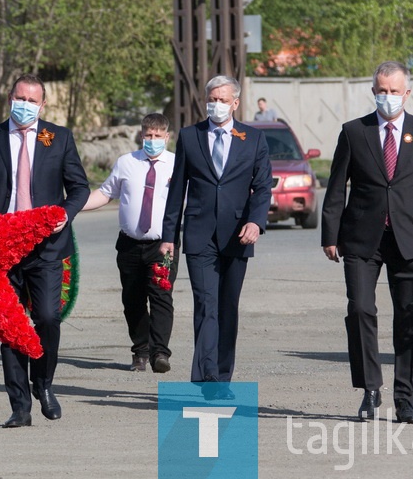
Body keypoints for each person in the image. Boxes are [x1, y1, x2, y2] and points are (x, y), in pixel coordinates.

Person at [321, 61, 413, 424]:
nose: (387, 97)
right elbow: (336, 187)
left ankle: (406, 400)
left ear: (407, 93)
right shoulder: (354, 132)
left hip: (410, 239)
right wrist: (329, 234)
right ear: (373, 92)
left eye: (394, 91)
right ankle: (370, 389)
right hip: (361, 239)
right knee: (361, 310)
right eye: (381, 91)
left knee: (409, 319)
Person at [0, 74, 90, 428]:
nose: (25, 105)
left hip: (47, 246)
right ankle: (19, 406)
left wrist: (65, 213)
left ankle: (44, 382)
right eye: (20, 97)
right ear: (9, 97)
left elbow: (79, 187)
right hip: (0, 248)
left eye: (32, 100)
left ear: (43, 104)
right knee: (9, 326)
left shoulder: (58, 138)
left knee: (48, 318)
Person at [160, 75, 273, 400]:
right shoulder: (190, 136)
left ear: (235, 103)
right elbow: (177, 188)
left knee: (227, 307)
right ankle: (209, 378)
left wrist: (256, 222)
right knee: (206, 304)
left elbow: (263, 186)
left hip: (238, 235)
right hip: (199, 235)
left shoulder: (252, 138)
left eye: (223, 99)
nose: (217, 104)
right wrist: (169, 235)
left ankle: (222, 374)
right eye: (212, 98)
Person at [82, 113, 177, 373]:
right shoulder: (126, 163)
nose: (153, 140)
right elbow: (105, 193)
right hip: (129, 244)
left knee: (161, 297)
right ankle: (140, 351)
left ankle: (160, 353)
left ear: (167, 137)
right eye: (148, 135)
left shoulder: (177, 165)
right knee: (132, 300)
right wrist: (73, 207)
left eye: (158, 136)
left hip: (163, 246)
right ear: (141, 136)